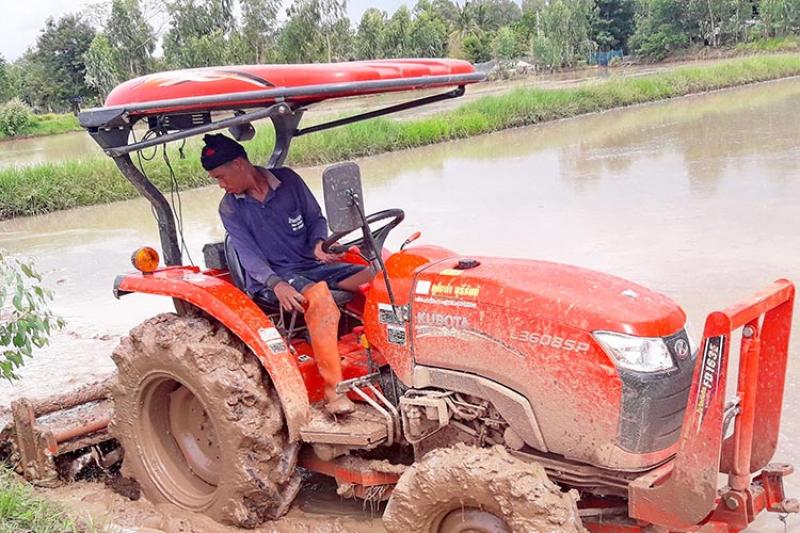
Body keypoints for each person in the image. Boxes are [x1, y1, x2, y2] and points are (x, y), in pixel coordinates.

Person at [201, 133, 371, 415]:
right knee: (320, 299)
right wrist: (275, 283)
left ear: (239, 163)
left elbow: (315, 218)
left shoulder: (288, 181)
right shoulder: (230, 207)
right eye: (216, 179)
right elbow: (248, 254)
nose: (221, 184)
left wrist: (318, 243)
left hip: (311, 263)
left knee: (375, 276)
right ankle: (334, 393)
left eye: (221, 176)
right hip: (274, 275)